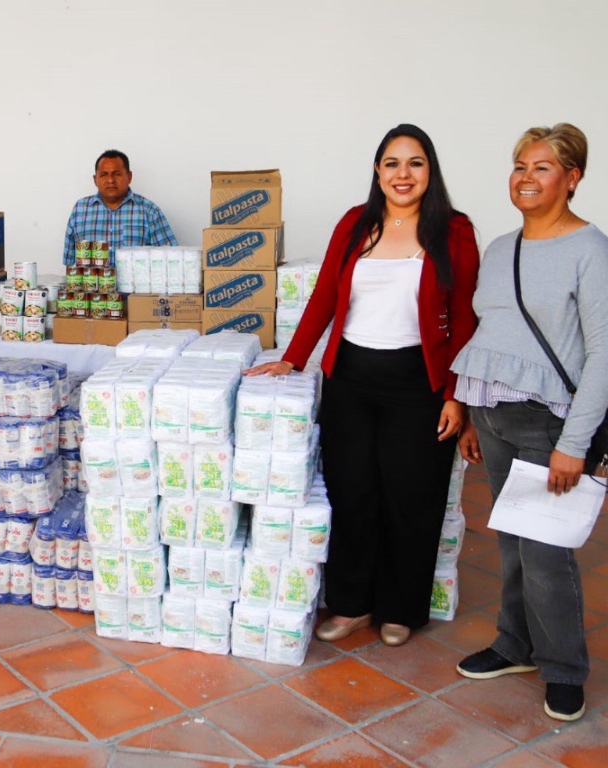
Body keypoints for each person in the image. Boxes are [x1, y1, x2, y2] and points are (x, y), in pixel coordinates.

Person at [244, 124, 480, 647]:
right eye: (392, 163)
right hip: (350, 379)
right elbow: (326, 293)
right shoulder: (356, 223)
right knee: (353, 493)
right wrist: (293, 358)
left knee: (411, 498)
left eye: (415, 163)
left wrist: (456, 395)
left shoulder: (454, 230)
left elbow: (464, 319)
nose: (403, 174)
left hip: (418, 382)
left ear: (430, 171)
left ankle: (402, 608)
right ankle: (352, 604)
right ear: (378, 170)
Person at [452, 124, 608, 722]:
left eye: (543, 167)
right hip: (491, 412)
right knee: (512, 539)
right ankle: (514, 644)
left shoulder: (590, 250)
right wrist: (469, 412)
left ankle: (566, 668)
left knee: (547, 551)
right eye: (520, 165)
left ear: (571, 178)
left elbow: (601, 355)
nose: (526, 177)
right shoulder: (500, 249)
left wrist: (575, 444)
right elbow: (490, 334)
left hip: (547, 421)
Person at [61, 149, 177, 265]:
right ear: (95, 180)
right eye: (104, 175)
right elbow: (70, 263)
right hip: (91, 283)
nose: (111, 180)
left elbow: (171, 260)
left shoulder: (149, 211)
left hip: (135, 283)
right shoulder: (80, 210)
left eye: (117, 174)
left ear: (129, 177)